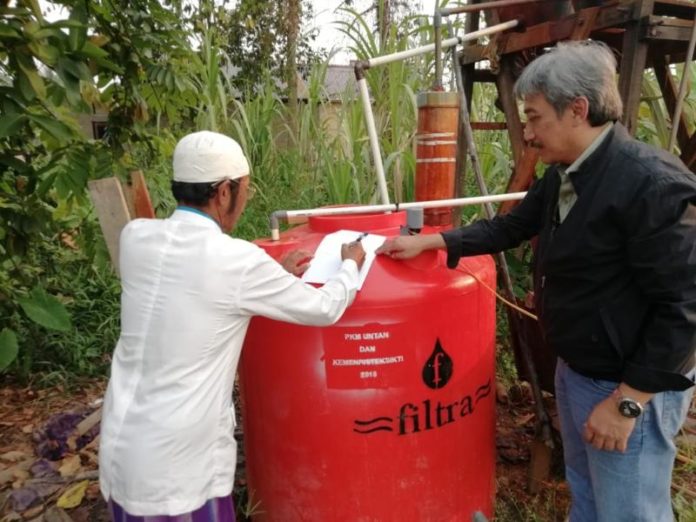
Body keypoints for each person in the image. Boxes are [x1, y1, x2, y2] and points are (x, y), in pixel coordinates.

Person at [377, 41, 696, 522]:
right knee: (587, 496)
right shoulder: (567, 173)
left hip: (626, 385)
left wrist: (628, 403)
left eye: (534, 117)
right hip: (579, 371)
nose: (526, 133)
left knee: (630, 512)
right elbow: (510, 226)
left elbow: (686, 305)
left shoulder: (649, 183)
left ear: (578, 109)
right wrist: (435, 243)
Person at [99, 131, 366, 521]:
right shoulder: (237, 260)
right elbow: (324, 308)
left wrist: (268, 277)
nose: (246, 198)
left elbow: (190, 290)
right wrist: (351, 265)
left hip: (124, 446)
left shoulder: (136, 237)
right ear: (224, 192)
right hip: (179, 465)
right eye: (246, 189)